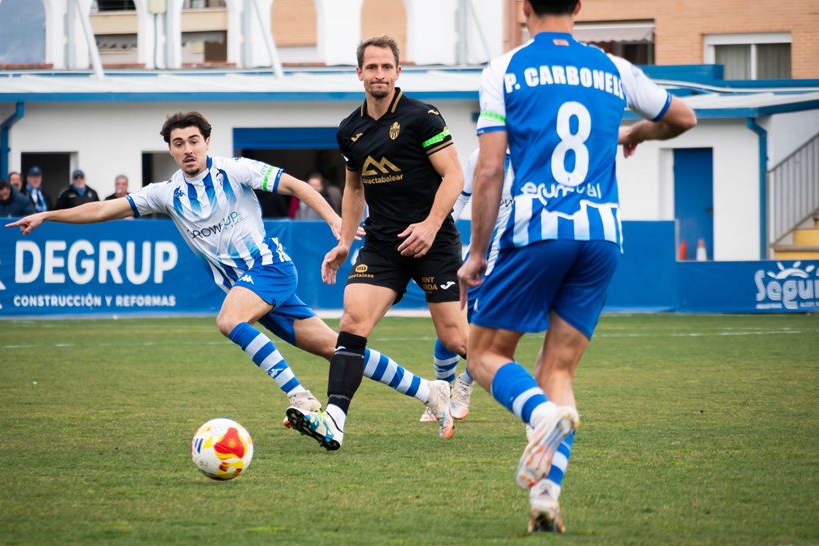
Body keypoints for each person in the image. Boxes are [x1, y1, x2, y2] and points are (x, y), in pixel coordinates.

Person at [6, 111, 452, 438]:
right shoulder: (166, 193)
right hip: (252, 285)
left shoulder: (235, 169)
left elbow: (295, 185)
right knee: (338, 350)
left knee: (228, 320)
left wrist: (335, 221)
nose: (187, 149)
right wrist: (50, 217)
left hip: (269, 269)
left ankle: (300, 396)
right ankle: (429, 391)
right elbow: (104, 208)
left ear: (206, 141)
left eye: (194, 140)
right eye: (178, 143)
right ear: (171, 149)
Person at [457, 0, 697, 534]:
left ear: (523, 7)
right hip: (602, 237)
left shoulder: (505, 68)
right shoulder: (615, 68)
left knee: (484, 355)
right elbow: (683, 117)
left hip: (539, 230)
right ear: (580, 6)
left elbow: (491, 168)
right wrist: (636, 134)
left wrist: (476, 252)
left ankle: (537, 416)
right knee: (558, 370)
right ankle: (545, 496)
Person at [285, 36, 469, 450]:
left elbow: (454, 176)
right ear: (359, 73)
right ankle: (334, 420)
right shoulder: (349, 130)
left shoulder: (424, 116)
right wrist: (346, 242)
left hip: (433, 242)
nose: (380, 74)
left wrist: (429, 224)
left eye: (387, 67)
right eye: (372, 67)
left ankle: (534, 405)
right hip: (384, 244)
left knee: (458, 341)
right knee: (352, 322)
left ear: (398, 71)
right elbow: (353, 190)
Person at [421, 146, 514, 424]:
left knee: (492, 331)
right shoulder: (482, 155)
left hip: (514, 263)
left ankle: (464, 386)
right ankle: (442, 391)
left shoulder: (541, 152)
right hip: (477, 260)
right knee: (453, 331)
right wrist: (437, 232)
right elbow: (460, 199)